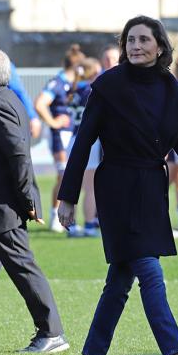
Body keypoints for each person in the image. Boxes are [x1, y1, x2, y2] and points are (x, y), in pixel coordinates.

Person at [58, 15, 178, 355]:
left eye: (143, 40)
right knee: (150, 273)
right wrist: (68, 196)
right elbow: (83, 141)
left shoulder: (172, 90)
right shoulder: (108, 86)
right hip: (117, 188)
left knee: (120, 281)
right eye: (130, 41)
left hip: (151, 188)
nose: (135, 46)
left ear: (160, 46)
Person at [0, 47, 69, 353]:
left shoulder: (0, 102)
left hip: (4, 206)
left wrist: (27, 200)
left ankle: (51, 332)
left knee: (24, 268)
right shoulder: (4, 99)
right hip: (1, 205)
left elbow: (19, 156)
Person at [35, 44, 85, 233]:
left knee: (70, 176)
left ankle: (68, 218)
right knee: (64, 175)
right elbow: (40, 104)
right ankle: (56, 216)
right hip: (60, 135)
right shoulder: (58, 82)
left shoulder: (79, 85)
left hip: (72, 134)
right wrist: (53, 122)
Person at [66, 57, 102, 237]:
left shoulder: (74, 89)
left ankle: (70, 225)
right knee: (90, 188)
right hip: (89, 141)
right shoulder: (90, 90)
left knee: (74, 186)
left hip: (72, 139)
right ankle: (89, 225)